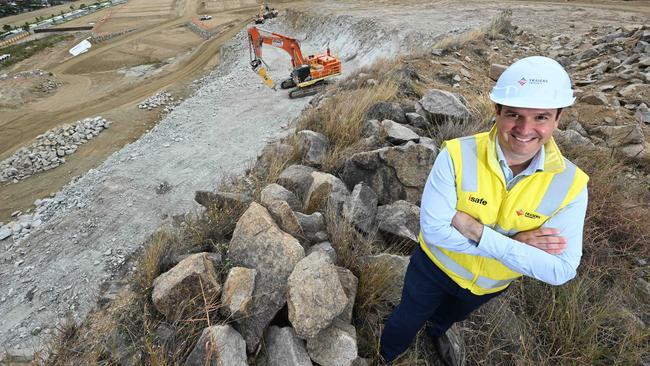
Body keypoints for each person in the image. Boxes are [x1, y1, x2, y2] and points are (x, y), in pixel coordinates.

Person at [379, 56, 589, 365]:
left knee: (445, 319)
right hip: (432, 271)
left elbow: (561, 270)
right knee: (404, 321)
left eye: (541, 117)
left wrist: (478, 232)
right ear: (497, 112)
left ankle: (436, 332)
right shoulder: (457, 154)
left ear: (558, 119)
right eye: (514, 114)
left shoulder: (570, 185)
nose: (524, 129)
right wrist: (515, 245)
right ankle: (386, 355)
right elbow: (435, 231)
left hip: (487, 287)